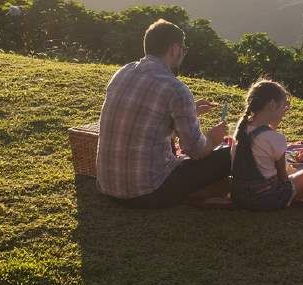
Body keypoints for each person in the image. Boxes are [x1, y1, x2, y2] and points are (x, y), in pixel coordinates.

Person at [96, 19, 229, 209]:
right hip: (149, 192)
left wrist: (190, 111)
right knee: (229, 155)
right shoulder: (175, 88)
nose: (183, 54)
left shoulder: (122, 73)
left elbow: (148, 122)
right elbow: (196, 150)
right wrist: (213, 138)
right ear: (174, 49)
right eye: (183, 49)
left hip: (108, 186)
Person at [230, 79, 303, 210]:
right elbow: (283, 177)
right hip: (266, 198)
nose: (284, 112)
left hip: (239, 196)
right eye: (283, 107)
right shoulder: (275, 138)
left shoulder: (241, 130)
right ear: (273, 104)